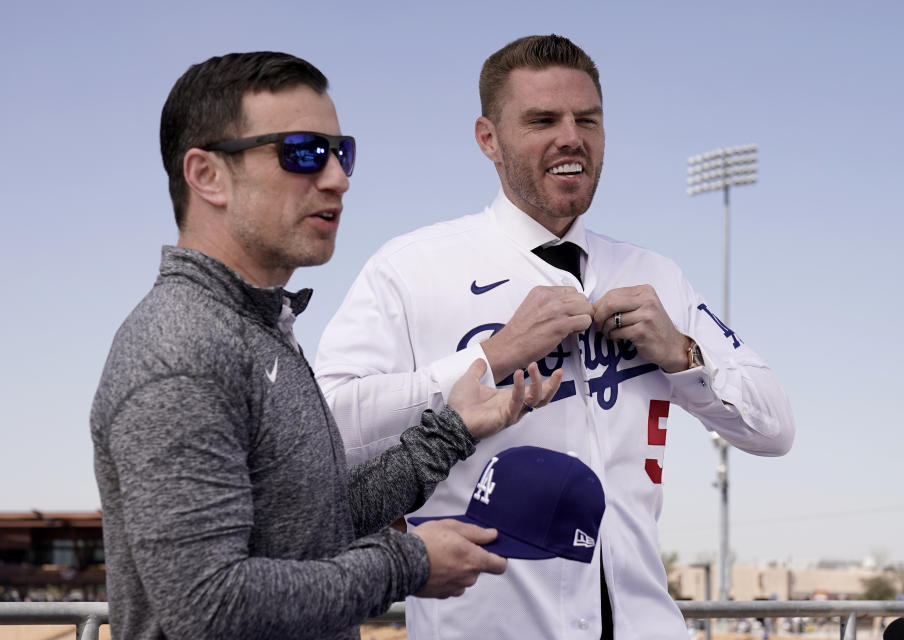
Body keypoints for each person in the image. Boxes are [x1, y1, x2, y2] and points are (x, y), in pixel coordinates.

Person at [314, 34, 796, 639]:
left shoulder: (654, 274)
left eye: (587, 120)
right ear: (488, 139)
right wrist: (491, 358)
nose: (571, 137)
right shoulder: (411, 267)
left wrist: (682, 354)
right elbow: (324, 431)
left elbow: (775, 429)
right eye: (542, 119)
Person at [90, 51, 562, 640]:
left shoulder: (259, 331)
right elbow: (207, 604)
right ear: (206, 175)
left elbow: (317, 523)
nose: (337, 176)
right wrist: (409, 562)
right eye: (303, 152)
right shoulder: (180, 350)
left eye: (343, 153)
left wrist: (455, 429)